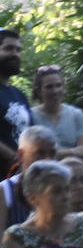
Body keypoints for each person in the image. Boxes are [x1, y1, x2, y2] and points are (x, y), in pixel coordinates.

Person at [0, 124, 59, 228]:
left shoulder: (63, 188)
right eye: (40, 153)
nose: (48, 160)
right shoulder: (5, 191)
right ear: (21, 155)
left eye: (52, 153)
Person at [29, 65, 83, 161]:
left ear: (64, 87)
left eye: (58, 85)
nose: (55, 91)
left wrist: (50, 153)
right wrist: (73, 151)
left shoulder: (77, 115)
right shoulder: (30, 116)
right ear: (39, 91)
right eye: (49, 87)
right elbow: (32, 155)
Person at [0, 29, 30, 172]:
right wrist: (13, 157)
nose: (15, 54)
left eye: (18, 50)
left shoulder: (19, 95)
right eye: (9, 48)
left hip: (20, 178)